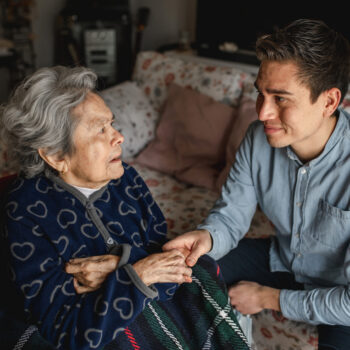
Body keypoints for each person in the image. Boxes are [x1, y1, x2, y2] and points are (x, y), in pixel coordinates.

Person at [0, 66, 249, 350]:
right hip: (91, 329)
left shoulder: (127, 179)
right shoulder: (25, 208)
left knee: (201, 267)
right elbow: (65, 328)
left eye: (113, 124)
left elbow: (168, 268)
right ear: (56, 155)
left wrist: (121, 265)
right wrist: (136, 274)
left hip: (135, 305)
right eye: (100, 129)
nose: (119, 137)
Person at [163, 18, 350, 350]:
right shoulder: (257, 138)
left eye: (280, 99)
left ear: (329, 102)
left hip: (340, 290)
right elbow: (231, 215)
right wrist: (207, 237)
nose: (263, 113)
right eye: (260, 94)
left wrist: (270, 298)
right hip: (282, 259)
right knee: (188, 272)